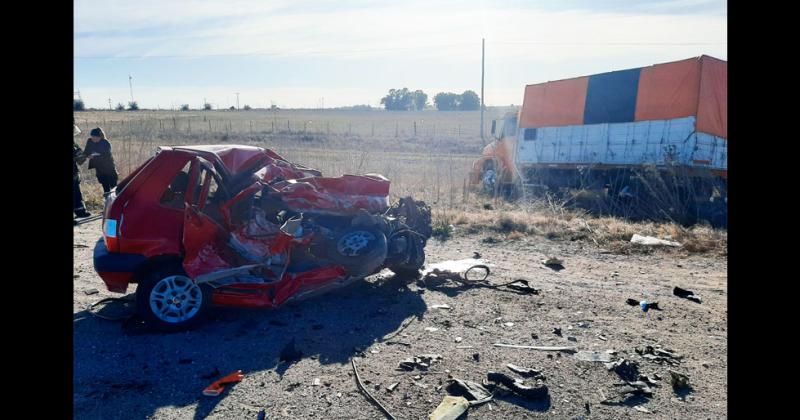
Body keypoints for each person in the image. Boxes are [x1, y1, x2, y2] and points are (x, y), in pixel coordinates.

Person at [84, 127, 119, 197]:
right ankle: (107, 202)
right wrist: (88, 155)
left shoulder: (106, 143)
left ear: (100, 137)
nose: (93, 138)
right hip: (99, 169)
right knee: (105, 188)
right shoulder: (90, 141)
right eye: (92, 136)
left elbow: (106, 156)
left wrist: (94, 156)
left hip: (109, 168)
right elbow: (86, 152)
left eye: (95, 137)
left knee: (114, 188)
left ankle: (116, 202)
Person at [73, 124, 91, 219]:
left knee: (76, 193)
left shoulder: (74, 143)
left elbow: (79, 159)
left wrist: (84, 155)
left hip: (74, 173)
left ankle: (80, 211)